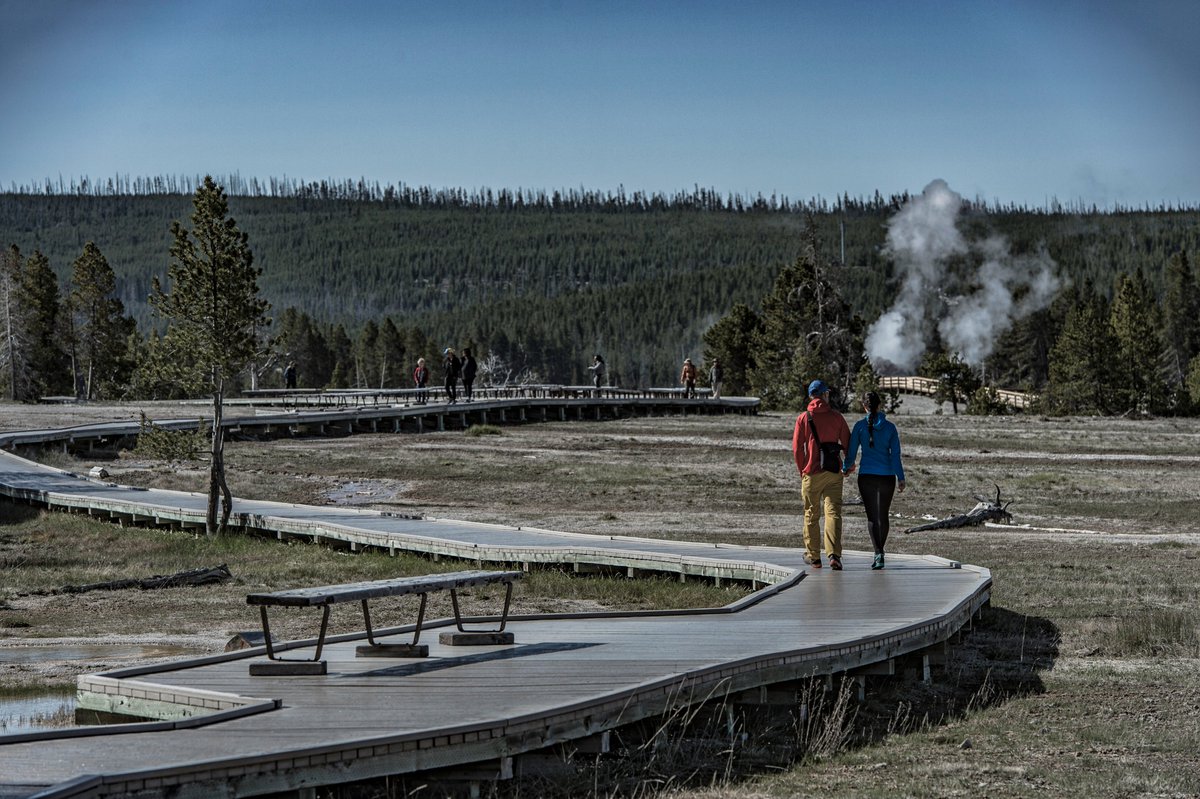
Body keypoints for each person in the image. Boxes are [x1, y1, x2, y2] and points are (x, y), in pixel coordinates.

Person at [842, 391, 906, 570]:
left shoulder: (860, 426)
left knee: (872, 517)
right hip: (886, 476)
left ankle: (878, 552)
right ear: (879, 405)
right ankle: (880, 552)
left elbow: (852, 452)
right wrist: (900, 477)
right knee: (883, 515)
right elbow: (896, 456)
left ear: (864, 406)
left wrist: (845, 468)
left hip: (867, 476)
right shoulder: (890, 428)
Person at [792, 379, 851, 570]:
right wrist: (848, 466)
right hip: (833, 472)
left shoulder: (803, 418)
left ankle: (814, 556)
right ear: (825, 395)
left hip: (811, 473)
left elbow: (797, 449)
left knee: (811, 514)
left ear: (810, 396)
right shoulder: (836, 417)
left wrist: (802, 469)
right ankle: (834, 555)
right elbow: (847, 444)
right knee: (833, 513)